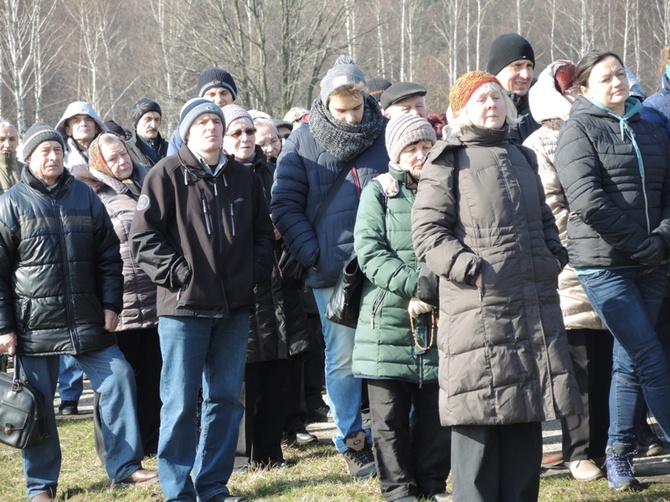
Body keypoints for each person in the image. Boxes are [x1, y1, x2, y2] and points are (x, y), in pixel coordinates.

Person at [412, 71, 580, 502]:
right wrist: (472, 269)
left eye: (497, 97)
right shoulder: (447, 158)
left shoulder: (521, 157)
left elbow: (544, 220)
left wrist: (551, 258)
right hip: (478, 313)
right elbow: (428, 233)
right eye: (481, 99)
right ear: (462, 109)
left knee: (526, 417)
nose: (492, 105)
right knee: (479, 424)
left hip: (531, 307)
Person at [0, 122, 157, 502]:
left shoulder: (85, 198)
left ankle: (124, 467)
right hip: (34, 326)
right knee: (36, 404)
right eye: (44, 152)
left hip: (88, 319)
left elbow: (108, 257)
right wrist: (4, 327)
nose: (52, 156)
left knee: (118, 376)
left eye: (56, 150)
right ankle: (41, 485)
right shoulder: (11, 203)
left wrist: (110, 305)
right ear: (29, 159)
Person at [130, 98, 273, 502]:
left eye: (216, 121)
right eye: (202, 122)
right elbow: (143, 240)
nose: (211, 127)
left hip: (234, 306)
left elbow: (263, 233)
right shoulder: (166, 174)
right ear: (187, 132)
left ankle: (212, 484)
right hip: (184, 308)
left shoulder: (243, 179)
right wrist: (179, 274)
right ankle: (177, 490)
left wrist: (255, 271)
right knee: (178, 400)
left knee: (225, 398)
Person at [555, 50, 670, 492]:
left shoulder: (649, 126)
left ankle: (618, 456)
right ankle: (620, 453)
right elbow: (584, 198)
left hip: (653, 260)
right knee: (651, 356)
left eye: (620, 74)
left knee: (628, 363)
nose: (617, 82)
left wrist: (661, 239)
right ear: (584, 89)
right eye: (605, 78)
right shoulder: (578, 129)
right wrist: (638, 243)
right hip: (605, 265)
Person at [271, 55, 388, 477]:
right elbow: (284, 205)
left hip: (386, 265)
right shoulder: (301, 142)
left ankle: (393, 433)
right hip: (331, 270)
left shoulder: (386, 133)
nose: (351, 118)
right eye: (342, 111)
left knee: (391, 352)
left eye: (356, 108)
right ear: (324, 105)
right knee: (342, 357)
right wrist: (315, 253)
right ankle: (351, 439)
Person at [353, 114, 450, 502]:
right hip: (388, 319)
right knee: (389, 416)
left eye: (426, 145)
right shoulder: (378, 191)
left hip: (440, 315)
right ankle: (399, 490)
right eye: (412, 147)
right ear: (396, 152)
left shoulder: (448, 187)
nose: (421, 154)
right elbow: (370, 251)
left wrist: (435, 290)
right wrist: (416, 285)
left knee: (435, 410)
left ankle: (432, 483)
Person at [524, 60, 612, 481]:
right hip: (572, 264)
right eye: (570, 90)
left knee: (607, 360)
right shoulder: (539, 143)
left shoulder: (601, 128)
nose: (577, 95)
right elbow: (552, 207)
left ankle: (605, 445)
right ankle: (578, 451)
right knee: (576, 365)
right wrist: (582, 245)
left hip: (612, 257)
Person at [221, 104, 313, 467]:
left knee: (280, 370)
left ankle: (271, 450)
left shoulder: (274, 171)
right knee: (245, 375)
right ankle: (244, 455)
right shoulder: (218, 176)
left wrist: (284, 226)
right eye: (237, 133)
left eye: (249, 132)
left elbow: (296, 210)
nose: (246, 138)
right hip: (243, 285)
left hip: (281, 279)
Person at [76, 132, 161, 457]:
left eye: (123, 154)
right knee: (114, 383)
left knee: (153, 379)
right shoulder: (91, 196)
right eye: (113, 159)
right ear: (100, 163)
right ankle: (113, 447)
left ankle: (150, 443)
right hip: (118, 305)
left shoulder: (150, 184)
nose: (121, 161)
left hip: (156, 301)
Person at [166, 67, 238, 156]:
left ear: (232, 96)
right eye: (212, 94)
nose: (219, 99)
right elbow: (172, 166)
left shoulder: (246, 126)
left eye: (224, 93)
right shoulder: (183, 132)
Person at [486, 33, 539, 143]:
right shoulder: (480, 112)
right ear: (497, 70)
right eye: (517, 66)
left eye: (529, 66)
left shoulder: (542, 112)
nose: (526, 75)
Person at [55, 101, 107, 172]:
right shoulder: (61, 158)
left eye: (88, 120)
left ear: (96, 128)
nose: (83, 124)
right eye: (76, 121)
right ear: (68, 130)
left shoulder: (109, 154)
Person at [128, 98, 168, 167]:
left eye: (157, 120)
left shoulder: (170, 149)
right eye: (148, 119)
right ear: (137, 123)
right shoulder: (126, 150)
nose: (153, 125)